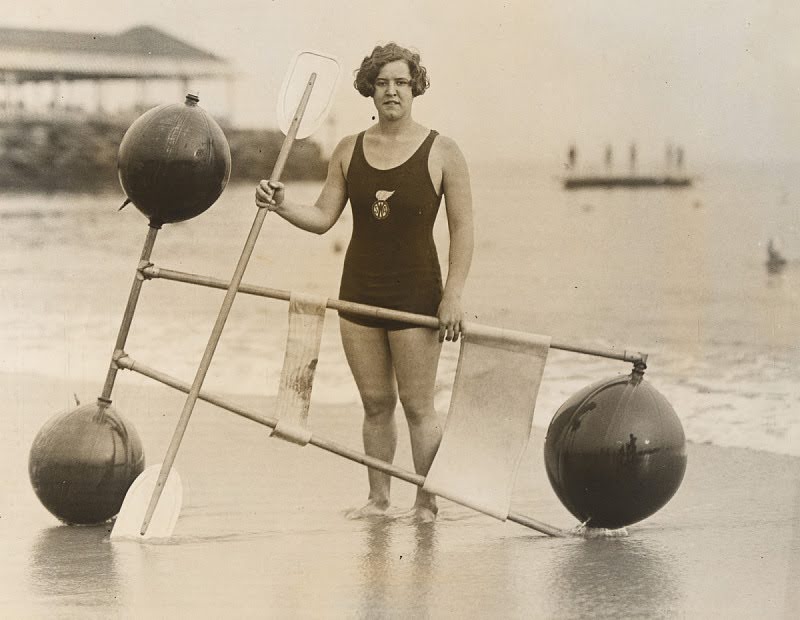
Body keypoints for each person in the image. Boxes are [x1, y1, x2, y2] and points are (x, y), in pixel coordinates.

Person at [255, 43, 474, 522]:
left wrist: (453, 295)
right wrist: (279, 205)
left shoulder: (443, 151)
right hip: (358, 291)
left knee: (418, 407)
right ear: (369, 90)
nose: (391, 90)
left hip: (417, 295)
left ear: (415, 86)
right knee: (376, 404)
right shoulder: (348, 149)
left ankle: (426, 502)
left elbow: (463, 230)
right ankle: (378, 500)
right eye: (382, 83)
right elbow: (322, 217)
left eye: (400, 81)